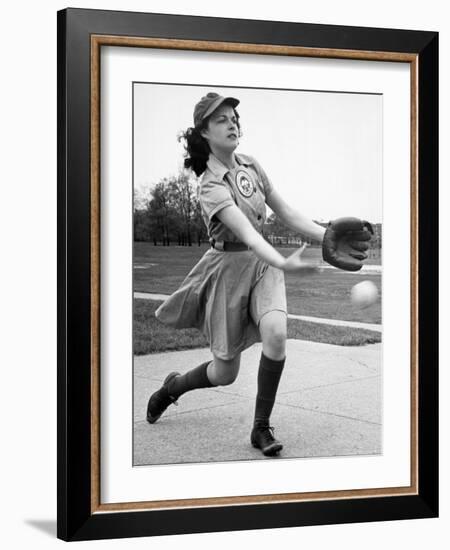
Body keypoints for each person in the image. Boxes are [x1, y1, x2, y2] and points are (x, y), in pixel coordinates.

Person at [146, 91, 372, 457]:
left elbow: (285, 212)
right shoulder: (210, 184)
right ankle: (173, 388)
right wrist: (286, 262)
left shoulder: (251, 166)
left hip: (262, 266)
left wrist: (326, 233)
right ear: (204, 132)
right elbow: (247, 235)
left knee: (277, 336)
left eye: (234, 117)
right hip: (227, 271)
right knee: (224, 373)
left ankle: (260, 426)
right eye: (221, 119)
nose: (232, 123)